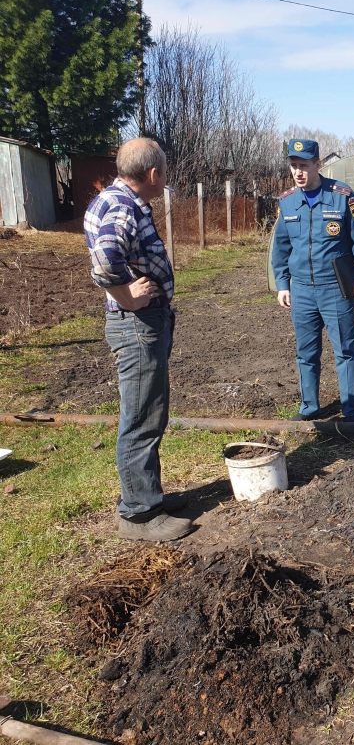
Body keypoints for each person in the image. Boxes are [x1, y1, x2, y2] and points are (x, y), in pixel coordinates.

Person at [84, 137, 194, 542]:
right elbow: (104, 258)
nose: (165, 178)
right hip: (137, 325)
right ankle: (139, 515)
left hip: (144, 322)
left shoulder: (114, 200)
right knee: (141, 417)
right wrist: (125, 295)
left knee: (149, 409)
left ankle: (149, 496)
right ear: (153, 174)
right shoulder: (122, 207)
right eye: (164, 171)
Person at [271, 138, 354, 422]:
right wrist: (282, 284)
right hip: (302, 290)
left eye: (304, 166)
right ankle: (309, 408)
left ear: (318, 164)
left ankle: (351, 413)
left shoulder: (342, 196)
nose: (298, 172)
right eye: (294, 166)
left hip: (335, 289)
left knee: (344, 350)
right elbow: (280, 247)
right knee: (306, 353)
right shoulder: (287, 202)